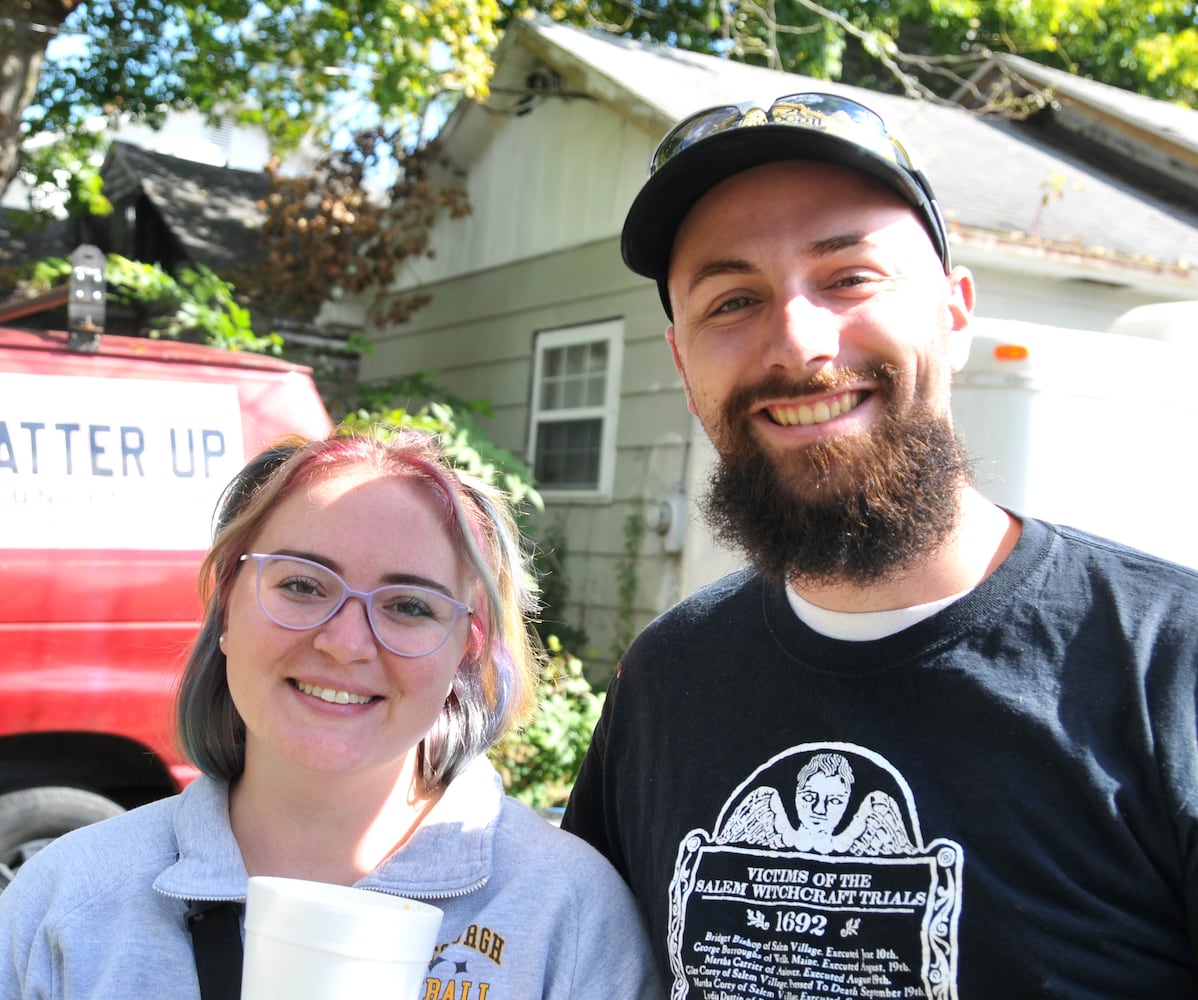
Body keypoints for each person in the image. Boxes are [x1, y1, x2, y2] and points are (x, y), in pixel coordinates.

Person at [561, 92, 1198, 997]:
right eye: (734, 299)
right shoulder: (667, 679)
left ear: (955, 313)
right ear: (682, 363)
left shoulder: (1169, 668)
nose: (799, 343)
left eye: (849, 277)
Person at [0, 426, 664, 999]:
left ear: (466, 650)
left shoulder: (563, 914)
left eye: (409, 605)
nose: (344, 643)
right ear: (225, 607)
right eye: (300, 584)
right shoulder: (68, 900)